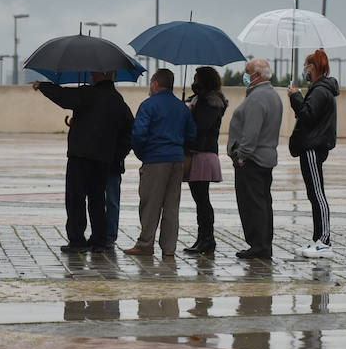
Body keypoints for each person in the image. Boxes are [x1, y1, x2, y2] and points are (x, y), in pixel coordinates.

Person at [33, 71, 134, 252]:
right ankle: (98, 240)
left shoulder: (88, 93)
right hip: (103, 159)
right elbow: (128, 132)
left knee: (75, 199)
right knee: (97, 200)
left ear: (101, 74)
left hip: (80, 156)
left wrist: (43, 86)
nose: (90, 74)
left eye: (94, 72)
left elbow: (64, 97)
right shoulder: (118, 100)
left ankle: (77, 240)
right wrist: (116, 155)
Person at [124, 69, 196, 259]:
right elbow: (192, 135)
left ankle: (145, 244)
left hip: (155, 160)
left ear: (155, 83)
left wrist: (143, 154)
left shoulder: (148, 105)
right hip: (177, 160)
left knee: (150, 203)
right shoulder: (182, 108)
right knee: (172, 205)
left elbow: (138, 134)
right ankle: (169, 247)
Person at [227, 58, 283, 260]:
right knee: (263, 203)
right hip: (265, 158)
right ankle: (263, 244)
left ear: (257, 75)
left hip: (252, 160)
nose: (245, 74)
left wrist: (242, 156)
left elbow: (251, 132)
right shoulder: (272, 95)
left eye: (247, 71)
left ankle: (258, 246)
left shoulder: (257, 98)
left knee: (252, 204)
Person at [288, 48, 339, 259]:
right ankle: (318, 238)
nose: (304, 71)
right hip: (312, 146)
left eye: (306, 67)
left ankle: (324, 240)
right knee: (313, 193)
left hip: (312, 146)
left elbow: (307, 115)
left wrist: (296, 97)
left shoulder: (319, 91)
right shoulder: (320, 89)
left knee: (317, 193)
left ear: (313, 67)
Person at [182, 66, 229, 255]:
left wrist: (192, 110)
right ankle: (202, 238)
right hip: (197, 152)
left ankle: (207, 239)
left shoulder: (211, 102)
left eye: (197, 78)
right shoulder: (200, 100)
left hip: (204, 153)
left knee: (202, 199)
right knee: (199, 199)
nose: (194, 82)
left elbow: (201, 125)